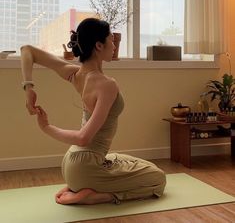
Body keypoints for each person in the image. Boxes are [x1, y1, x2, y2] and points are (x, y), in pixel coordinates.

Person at [21, 18, 166, 205]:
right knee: (158, 178)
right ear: (99, 45)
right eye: (111, 40)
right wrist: (46, 127)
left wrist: (28, 88)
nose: (114, 45)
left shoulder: (74, 73)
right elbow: (83, 138)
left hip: (72, 162)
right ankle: (99, 195)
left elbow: (27, 50)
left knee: (136, 163)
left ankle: (79, 186)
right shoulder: (107, 84)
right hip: (86, 168)